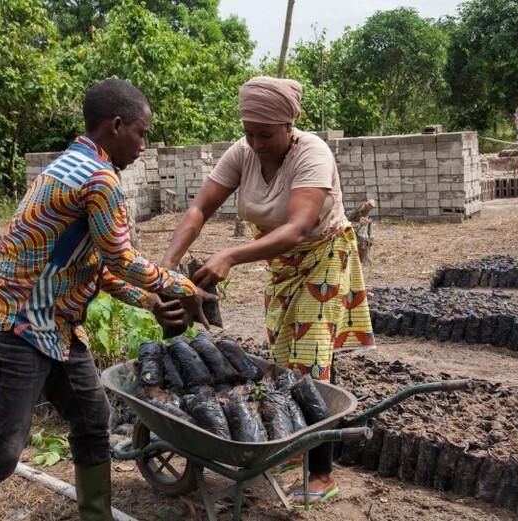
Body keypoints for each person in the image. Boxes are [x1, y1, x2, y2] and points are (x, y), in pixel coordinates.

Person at [0, 79, 212, 521]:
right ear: (116, 125)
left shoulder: (71, 166)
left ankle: (96, 515)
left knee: (92, 419)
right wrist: (184, 287)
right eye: (141, 133)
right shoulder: (98, 177)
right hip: (14, 325)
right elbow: (122, 260)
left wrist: (148, 302)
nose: (145, 144)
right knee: (1, 450)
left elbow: (98, 268)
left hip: (55, 327)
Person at [161, 76, 375, 505]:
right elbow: (200, 208)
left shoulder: (312, 153)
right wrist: (166, 267)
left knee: (311, 360)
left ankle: (321, 473)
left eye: (265, 134)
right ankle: (289, 449)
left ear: (288, 125)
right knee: (281, 358)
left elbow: (297, 228)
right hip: (280, 263)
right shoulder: (243, 152)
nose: (255, 142)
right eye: (248, 132)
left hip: (322, 256)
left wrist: (231, 255)